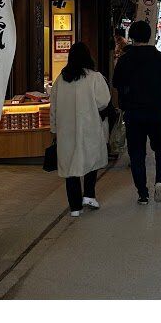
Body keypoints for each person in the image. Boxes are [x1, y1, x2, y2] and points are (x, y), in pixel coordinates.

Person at [110, 19, 161, 204]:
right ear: (150, 36)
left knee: (137, 153)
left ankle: (142, 194)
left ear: (131, 37)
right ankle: (160, 181)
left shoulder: (125, 59)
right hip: (156, 110)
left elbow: (116, 83)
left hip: (134, 113)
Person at [50, 43, 113, 214]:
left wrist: (54, 129)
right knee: (91, 161)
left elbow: (53, 107)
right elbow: (103, 102)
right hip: (89, 127)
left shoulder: (60, 79)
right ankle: (89, 196)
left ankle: (75, 208)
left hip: (66, 131)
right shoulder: (94, 77)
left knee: (70, 168)